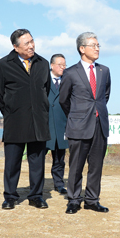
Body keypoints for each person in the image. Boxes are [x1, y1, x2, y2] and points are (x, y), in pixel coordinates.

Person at [0, 29, 51, 210]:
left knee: (37, 162)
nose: (31, 45)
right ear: (15, 47)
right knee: (12, 162)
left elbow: (45, 90)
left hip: (38, 121)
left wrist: (39, 108)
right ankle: (10, 196)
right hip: (15, 120)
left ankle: (36, 196)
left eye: (32, 41)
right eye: (26, 43)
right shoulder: (3, 64)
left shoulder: (42, 63)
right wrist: (9, 111)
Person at [59, 32, 111, 214]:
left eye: (98, 45)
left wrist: (96, 113)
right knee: (76, 166)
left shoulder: (104, 70)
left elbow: (104, 96)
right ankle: (74, 200)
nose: (97, 48)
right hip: (78, 126)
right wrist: (77, 116)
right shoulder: (70, 72)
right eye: (93, 45)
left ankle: (92, 200)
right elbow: (63, 100)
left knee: (96, 166)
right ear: (82, 49)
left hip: (100, 125)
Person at [46, 54, 69, 194]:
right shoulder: (43, 79)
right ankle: (36, 184)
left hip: (62, 124)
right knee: (37, 157)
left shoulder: (67, 80)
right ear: (52, 65)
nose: (63, 67)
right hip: (45, 124)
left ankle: (59, 183)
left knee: (60, 158)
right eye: (60, 64)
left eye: (64, 65)